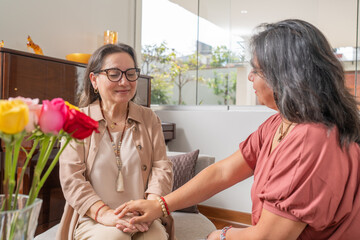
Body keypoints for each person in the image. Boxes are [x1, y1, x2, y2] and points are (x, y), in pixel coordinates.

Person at [115, 19, 360, 240]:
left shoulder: (311, 139)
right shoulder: (280, 124)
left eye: (256, 70)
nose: (250, 77)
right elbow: (223, 172)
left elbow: (268, 237)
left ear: (285, 76)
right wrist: (161, 205)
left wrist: (220, 235)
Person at [56, 43, 173, 240]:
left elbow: (161, 167)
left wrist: (151, 206)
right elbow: (71, 178)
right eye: (114, 74)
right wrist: (104, 213)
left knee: (156, 238)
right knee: (114, 237)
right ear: (94, 79)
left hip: (142, 215)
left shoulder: (149, 118)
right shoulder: (75, 120)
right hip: (93, 216)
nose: (124, 81)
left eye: (130, 73)